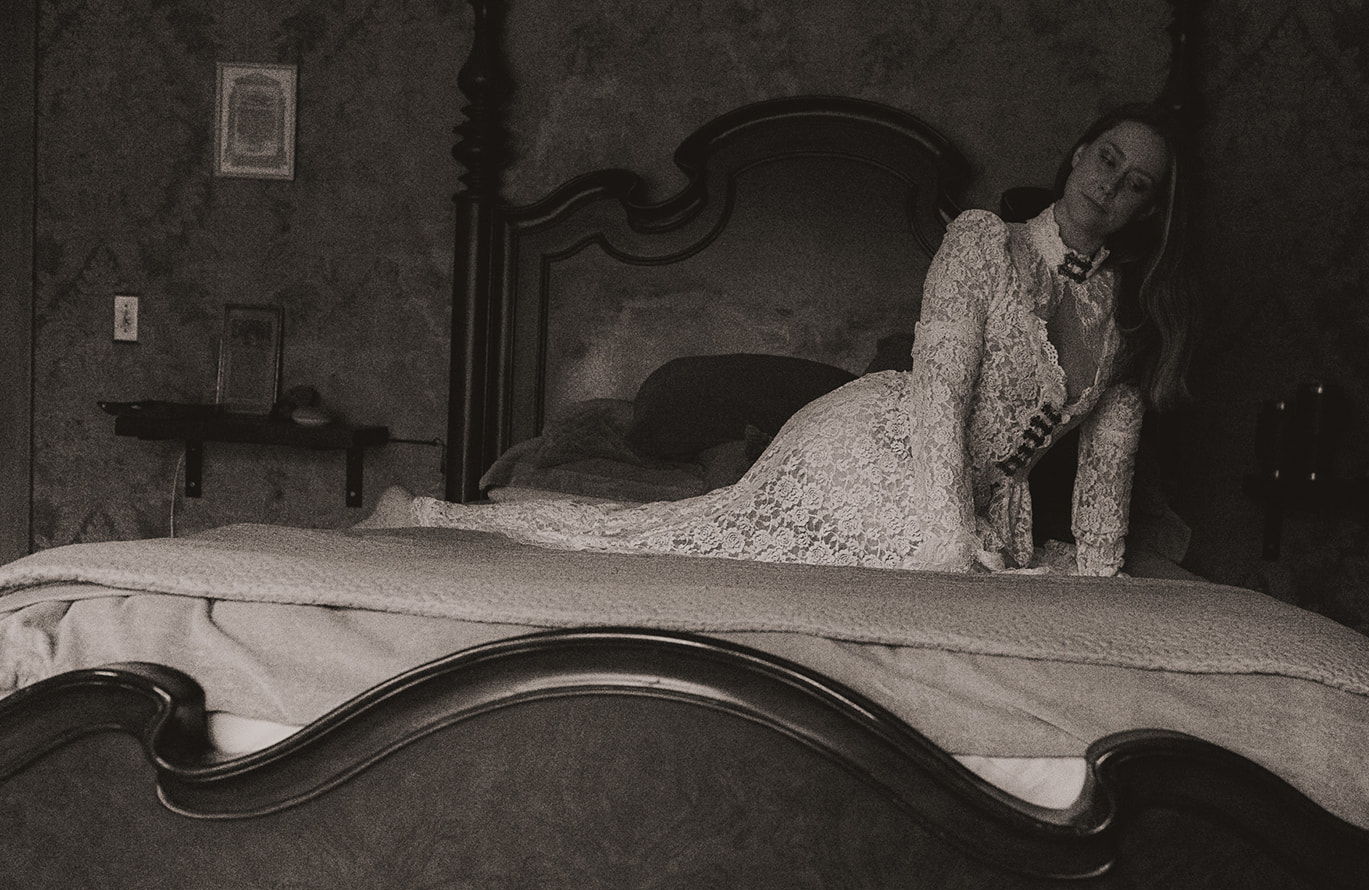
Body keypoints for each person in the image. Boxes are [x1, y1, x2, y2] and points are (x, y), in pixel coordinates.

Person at [375, 103, 1195, 575]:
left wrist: (1099, 578)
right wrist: (947, 542)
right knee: (684, 544)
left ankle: (438, 521)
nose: (1109, 185)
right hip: (877, 447)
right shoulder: (983, 243)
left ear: (1147, 209)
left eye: (1135, 184)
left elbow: (1105, 476)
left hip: (985, 508)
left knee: (683, 541)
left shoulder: (1128, 320)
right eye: (1106, 158)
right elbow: (940, 392)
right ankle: (435, 521)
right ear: (1078, 155)